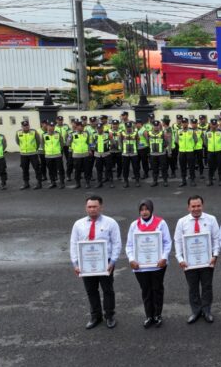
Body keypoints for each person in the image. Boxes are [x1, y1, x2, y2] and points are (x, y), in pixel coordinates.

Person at [69, 195, 121, 329]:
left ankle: (109, 315)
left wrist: (113, 261)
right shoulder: (78, 224)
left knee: (108, 290)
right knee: (91, 290)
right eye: (89, 207)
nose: (92, 209)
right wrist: (75, 264)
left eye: (95, 206)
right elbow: (73, 244)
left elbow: (116, 243)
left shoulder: (111, 223)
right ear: (86, 208)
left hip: (106, 262)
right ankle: (95, 316)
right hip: (85, 263)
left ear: (101, 207)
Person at [173, 195, 221, 323]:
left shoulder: (211, 219)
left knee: (207, 286)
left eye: (198, 206)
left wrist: (215, 255)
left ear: (202, 206)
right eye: (193, 206)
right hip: (189, 262)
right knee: (193, 287)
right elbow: (177, 241)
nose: (196, 208)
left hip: (207, 260)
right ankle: (196, 311)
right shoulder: (181, 222)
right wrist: (180, 259)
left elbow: (216, 239)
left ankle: (206, 311)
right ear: (188, 207)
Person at [125, 199, 172, 328]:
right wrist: (131, 259)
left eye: (147, 209)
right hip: (140, 266)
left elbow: (167, 242)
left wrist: (164, 258)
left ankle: (158, 315)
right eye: (142, 210)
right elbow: (129, 245)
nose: (144, 212)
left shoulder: (161, 223)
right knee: (146, 290)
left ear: (151, 209)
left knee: (157, 289)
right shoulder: (134, 225)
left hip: (158, 265)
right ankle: (149, 316)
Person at [147, 120, 171, 187]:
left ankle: (165, 181)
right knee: (154, 168)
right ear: (152, 126)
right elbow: (147, 142)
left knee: (163, 168)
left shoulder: (163, 133)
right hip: (153, 154)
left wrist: (163, 148)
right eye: (155, 126)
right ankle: (155, 181)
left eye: (157, 126)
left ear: (159, 126)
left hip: (161, 154)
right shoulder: (149, 133)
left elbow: (167, 142)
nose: (156, 127)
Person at [43, 122, 65, 189]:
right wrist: (47, 151)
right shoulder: (44, 135)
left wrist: (58, 150)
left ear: (54, 127)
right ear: (47, 127)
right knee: (50, 170)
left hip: (57, 155)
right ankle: (53, 183)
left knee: (60, 169)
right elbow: (42, 144)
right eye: (50, 126)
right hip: (48, 156)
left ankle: (62, 182)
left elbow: (62, 144)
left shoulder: (58, 134)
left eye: (52, 126)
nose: (51, 128)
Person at [92, 123, 115, 188]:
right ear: (97, 128)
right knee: (99, 169)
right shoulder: (94, 134)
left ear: (103, 128)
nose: (99, 129)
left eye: (100, 128)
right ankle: (99, 182)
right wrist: (93, 148)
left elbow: (113, 142)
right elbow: (92, 143)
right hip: (98, 155)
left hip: (106, 154)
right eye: (98, 128)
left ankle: (111, 182)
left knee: (109, 168)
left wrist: (109, 147)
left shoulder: (107, 134)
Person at [119, 122, 141, 188]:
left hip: (134, 153)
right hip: (125, 154)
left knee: (136, 168)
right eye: (127, 127)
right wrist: (122, 149)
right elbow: (120, 141)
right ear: (125, 127)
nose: (128, 128)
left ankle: (137, 181)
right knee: (125, 168)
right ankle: (126, 181)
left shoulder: (135, 133)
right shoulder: (122, 133)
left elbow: (138, 140)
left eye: (129, 127)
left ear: (131, 127)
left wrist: (136, 148)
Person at [205, 119, 221, 186]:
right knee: (210, 167)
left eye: (215, 124)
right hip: (210, 152)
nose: (213, 126)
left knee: (220, 166)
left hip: (219, 151)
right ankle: (210, 180)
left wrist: (220, 147)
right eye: (212, 124)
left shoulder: (220, 132)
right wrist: (209, 147)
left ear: (217, 125)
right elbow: (205, 142)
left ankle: (220, 180)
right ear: (210, 125)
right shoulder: (207, 132)